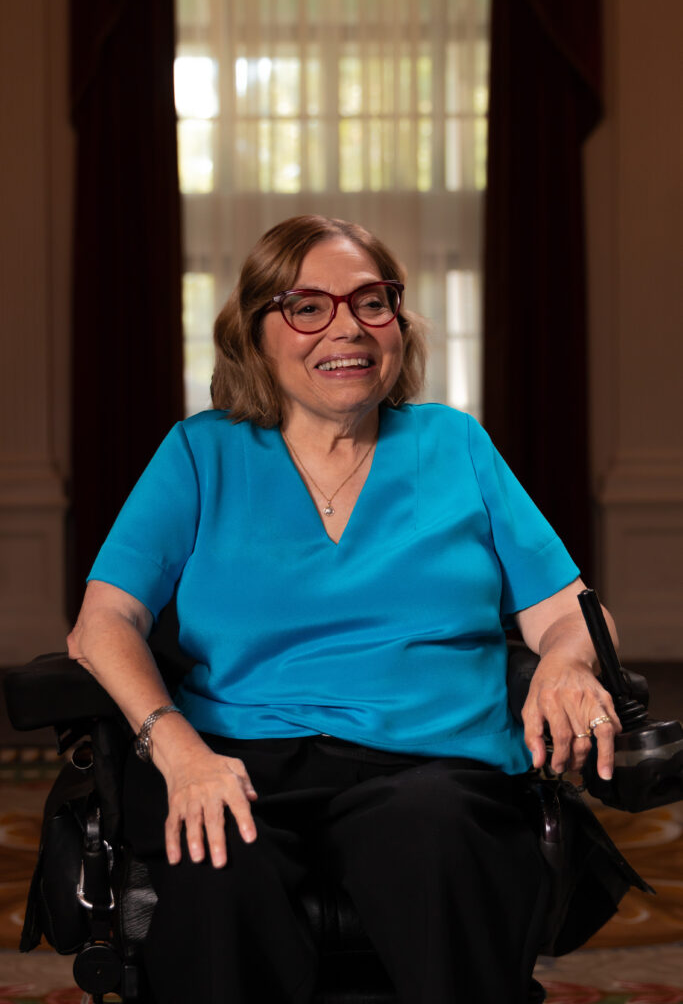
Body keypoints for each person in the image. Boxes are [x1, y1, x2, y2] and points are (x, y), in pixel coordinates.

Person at [67, 215, 621, 1004]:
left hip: (433, 762)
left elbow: (569, 610)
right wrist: (177, 751)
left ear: (396, 323)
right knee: (218, 858)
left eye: (371, 302)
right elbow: (101, 624)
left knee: (436, 832)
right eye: (307, 306)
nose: (348, 329)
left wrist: (565, 662)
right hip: (231, 755)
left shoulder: (454, 445)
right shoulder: (201, 453)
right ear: (256, 333)